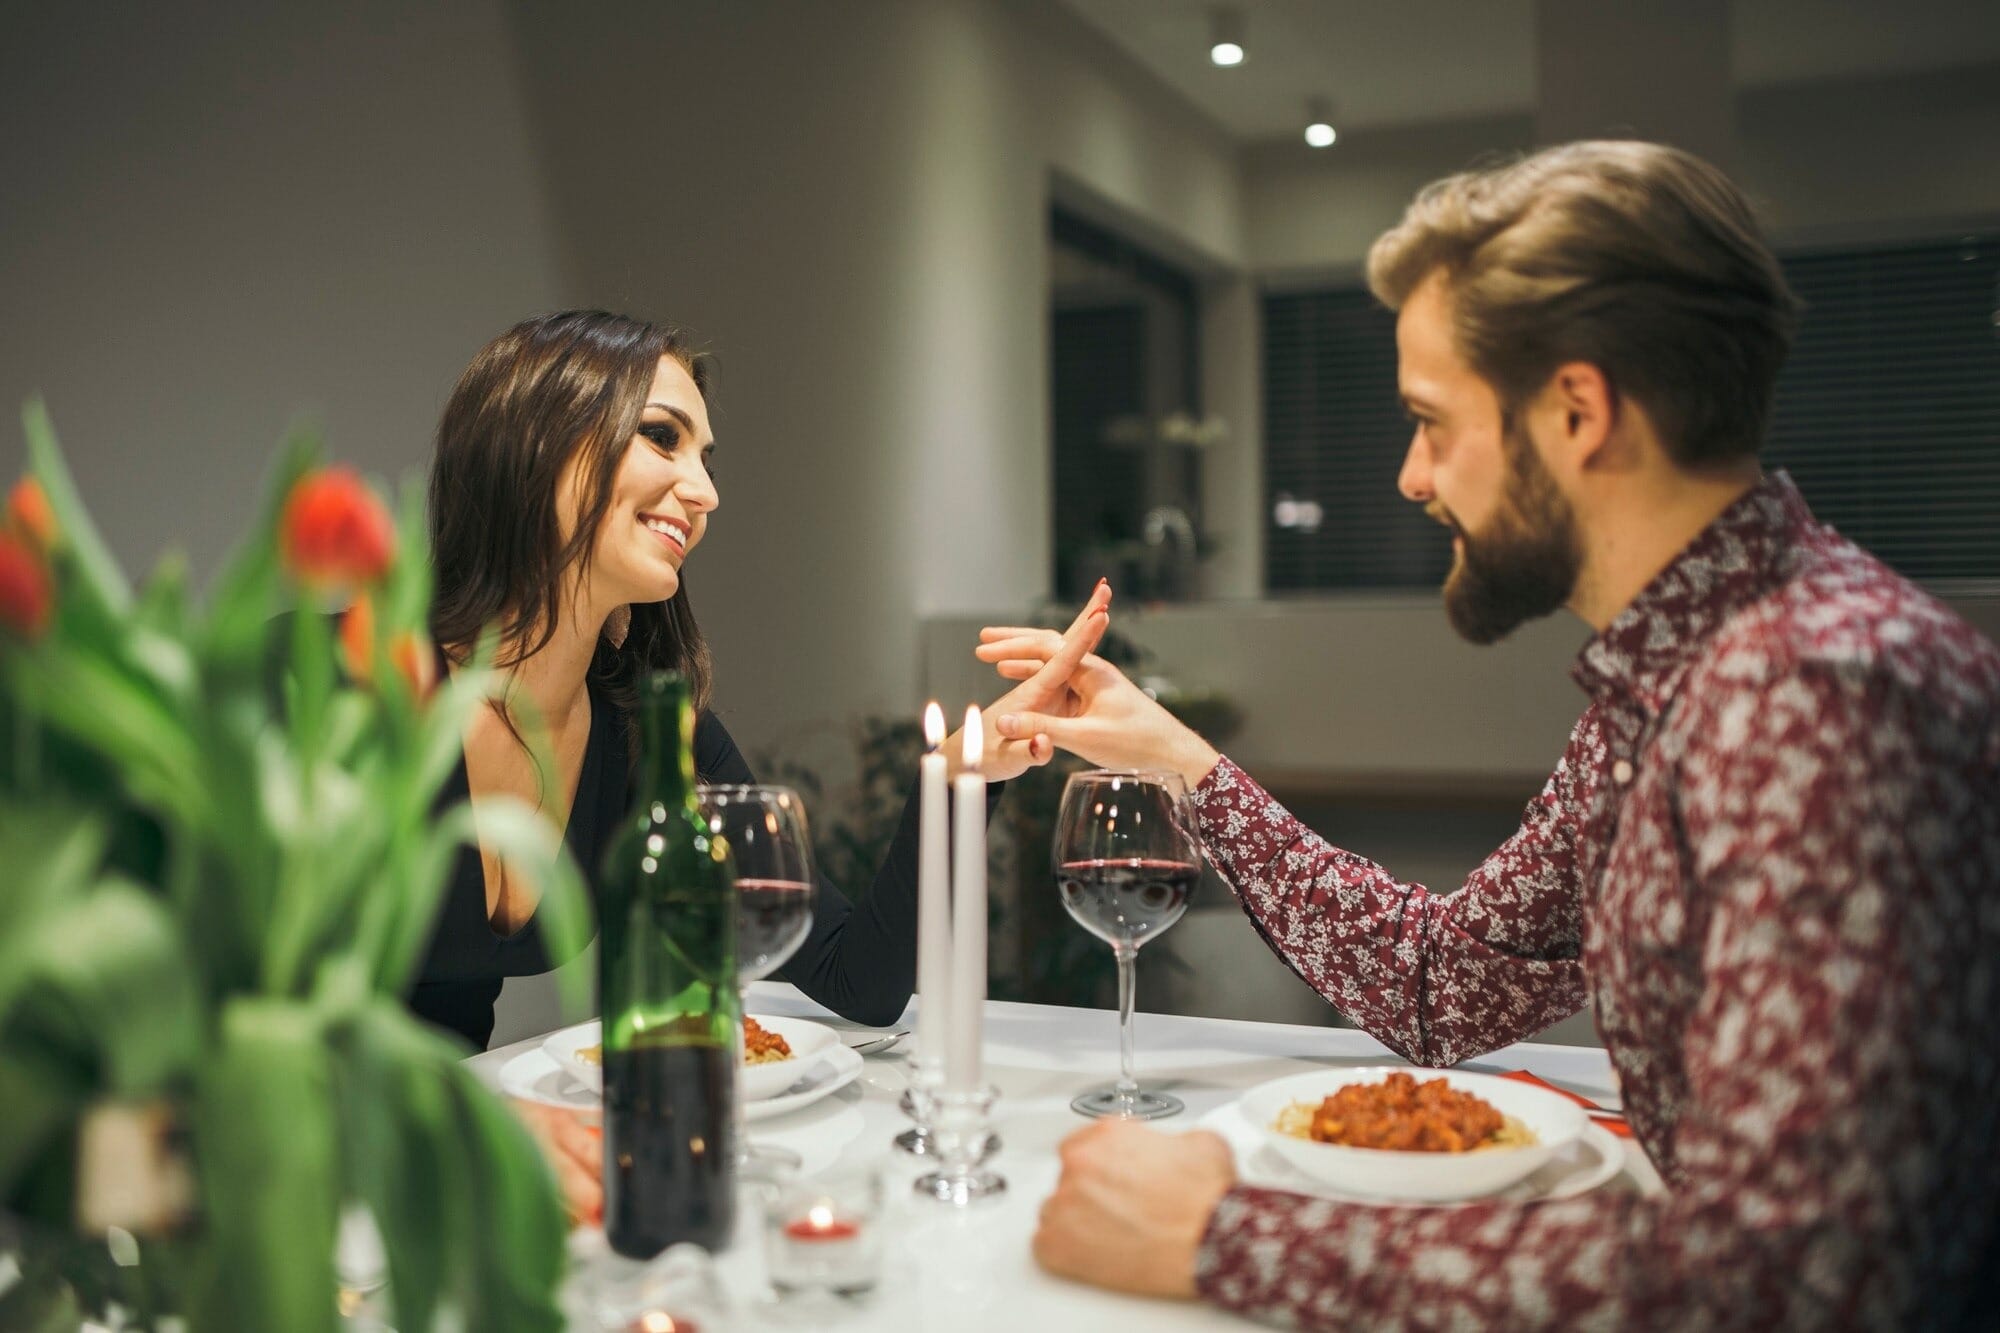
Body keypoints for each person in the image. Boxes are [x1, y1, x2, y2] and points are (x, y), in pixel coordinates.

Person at [987, 142, 2000, 1328]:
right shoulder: (1672, 675)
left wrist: (1226, 1237)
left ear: (1576, 410)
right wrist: (1175, 758)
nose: (1411, 476)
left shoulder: (1814, 694)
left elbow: (1796, 1275)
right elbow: (1442, 983)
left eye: (1429, 419)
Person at [416, 311, 1105, 1216]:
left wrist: (960, 777)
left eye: (706, 458)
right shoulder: (345, 689)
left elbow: (856, 978)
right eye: (662, 437)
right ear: (536, 444)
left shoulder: (644, 727)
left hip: (456, 1204)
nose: (703, 491)